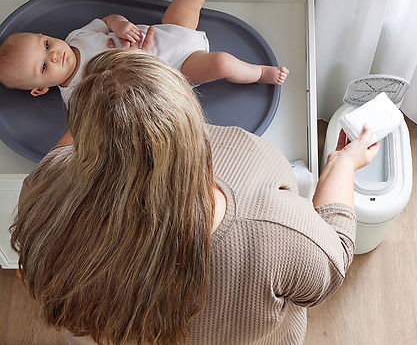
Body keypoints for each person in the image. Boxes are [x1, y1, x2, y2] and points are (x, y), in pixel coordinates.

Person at [10, 47, 379, 345]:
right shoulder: (275, 231)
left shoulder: (46, 190)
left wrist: (111, 108)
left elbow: (68, 153)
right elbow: (335, 256)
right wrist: (341, 166)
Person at [0, 0, 289, 105]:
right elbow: (118, 103)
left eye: (46, 45)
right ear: (39, 90)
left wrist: (120, 24)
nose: (53, 55)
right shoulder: (76, 96)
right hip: (175, 67)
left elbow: (106, 21)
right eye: (43, 67)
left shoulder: (76, 37)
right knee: (224, 64)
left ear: (46, 35)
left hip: (169, 31)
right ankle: (261, 72)